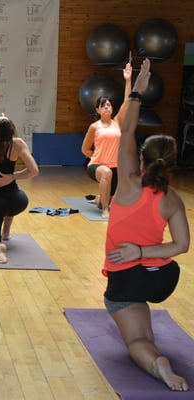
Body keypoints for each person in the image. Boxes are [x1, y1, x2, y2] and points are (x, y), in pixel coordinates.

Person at [103, 58, 190, 392]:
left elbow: (125, 130)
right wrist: (143, 252)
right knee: (142, 300)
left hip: (127, 278)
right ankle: (152, 342)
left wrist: (137, 92)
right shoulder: (172, 199)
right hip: (162, 278)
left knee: (138, 340)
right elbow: (181, 246)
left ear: (142, 158)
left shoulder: (128, 183)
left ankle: (157, 364)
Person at [0, 58, 39, 263]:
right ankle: (6, 232)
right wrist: (13, 176)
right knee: (11, 201)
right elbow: (34, 171)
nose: (2, 113)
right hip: (16, 201)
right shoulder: (17, 144)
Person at [81, 62, 133, 218]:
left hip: (115, 167)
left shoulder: (117, 122)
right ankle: (105, 210)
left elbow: (127, 102)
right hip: (96, 166)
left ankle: (100, 200)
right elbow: (85, 149)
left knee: (113, 197)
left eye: (109, 105)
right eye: (103, 105)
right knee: (106, 172)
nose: (106, 107)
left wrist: (128, 80)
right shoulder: (94, 127)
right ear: (97, 109)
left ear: (112, 109)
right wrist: (98, 159)